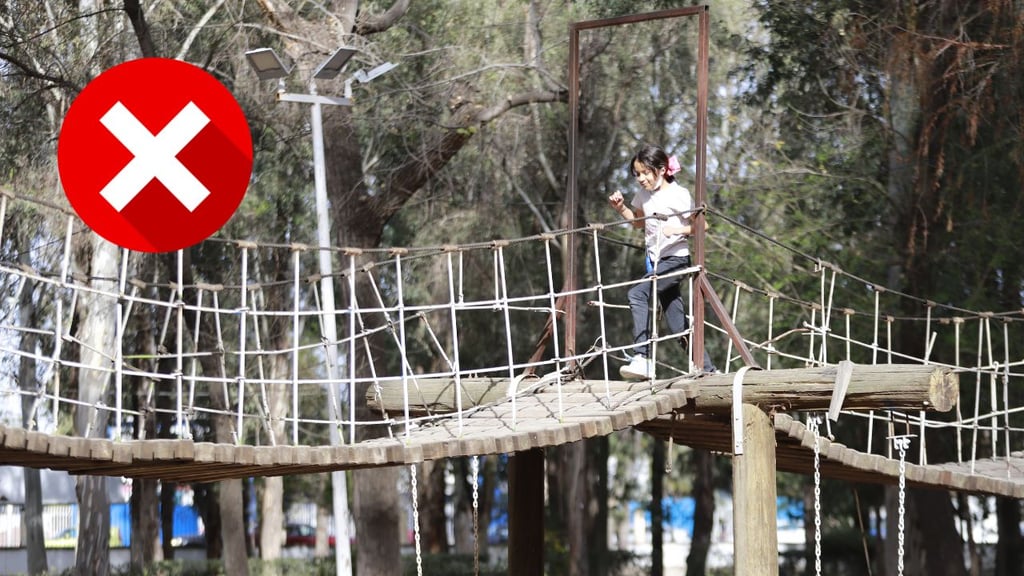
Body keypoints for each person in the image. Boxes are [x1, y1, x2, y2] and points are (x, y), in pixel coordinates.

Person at [608, 144, 715, 379]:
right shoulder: (642, 195)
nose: (641, 179)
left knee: (637, 293)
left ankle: (642, 357)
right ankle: (708, 370)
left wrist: (677, 229)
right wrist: (620, 208)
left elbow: (702, 226)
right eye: (637, 174)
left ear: (662, 169)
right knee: (677, 325)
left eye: (646, 172)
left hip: (676, 260)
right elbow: (638, 223)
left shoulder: (679, 194)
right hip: (656, 263)